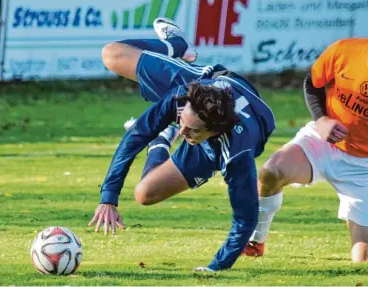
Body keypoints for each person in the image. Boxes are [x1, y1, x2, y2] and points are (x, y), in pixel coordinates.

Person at [241, 6, 368, 263]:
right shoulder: (344, 50)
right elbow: (313, 83)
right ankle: (255, 241)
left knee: (366, 259)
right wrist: (321, 120)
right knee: (271, 172)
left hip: (367, 166)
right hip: (323, 143)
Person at [87, 18, 275, 272]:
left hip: (231, 133)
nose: (185, 132)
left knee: (145, 194)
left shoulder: (236, 154)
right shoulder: (180, 96)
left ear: (213, 132)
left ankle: (163, 136)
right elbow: (135, 137)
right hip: (201, 80)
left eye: (191, 130)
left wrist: (215, 267)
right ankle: (176, 44)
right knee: (112, 53)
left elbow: (245, 218)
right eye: (181, 124)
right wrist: (108, 196)